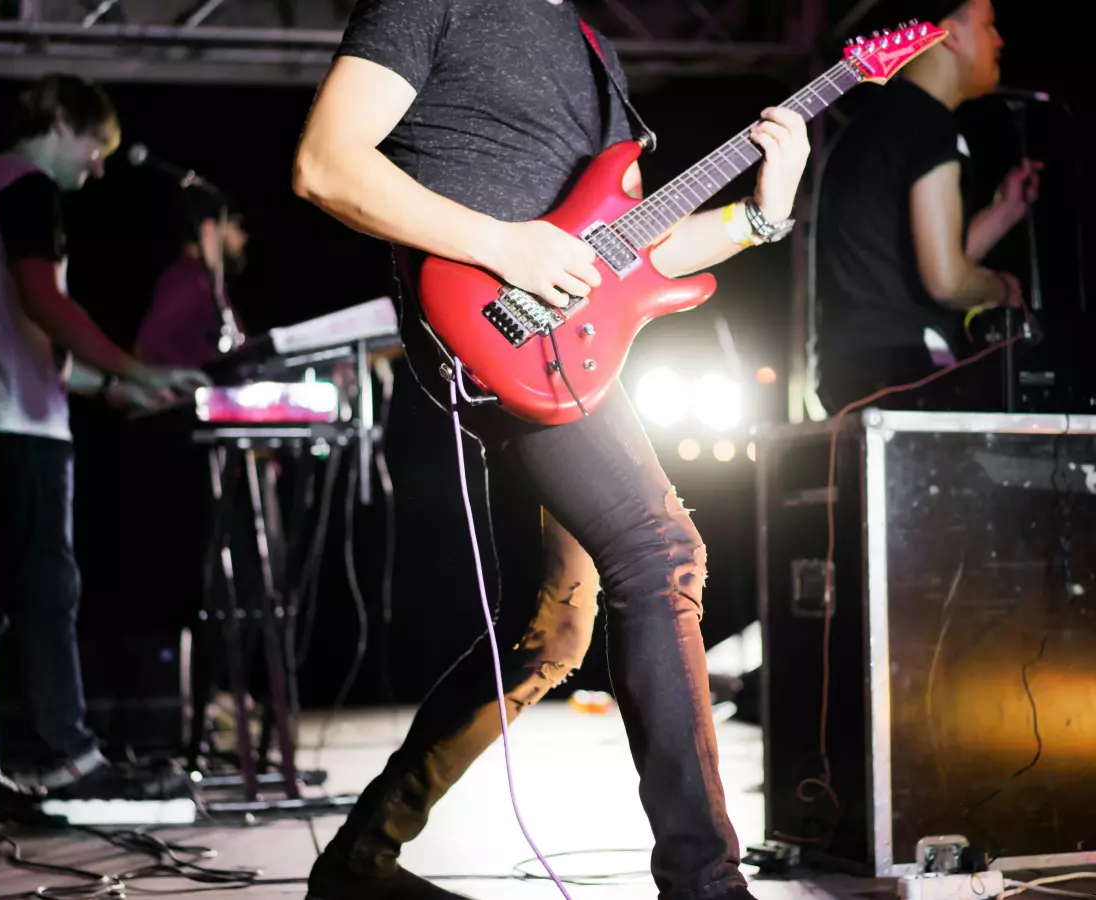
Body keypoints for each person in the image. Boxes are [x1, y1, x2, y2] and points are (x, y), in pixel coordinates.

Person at [291, 1, 811, 898]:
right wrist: (503, 245)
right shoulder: (432, 4)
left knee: (551, 633)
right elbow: (325, 163)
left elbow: (632, 250)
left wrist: (762, 217)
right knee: (660, 552)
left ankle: (358, 861)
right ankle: (705, 885)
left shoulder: (589, 46)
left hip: (570, 349)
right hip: (492, 325)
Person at [0, 73, 208, 818]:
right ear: (59, 121)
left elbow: (16, 336)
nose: (100, 166)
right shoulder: (25, 186)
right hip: (16, 433)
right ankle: (69, 758)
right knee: (49, 592)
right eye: (95, 145)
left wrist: (118, 389)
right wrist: (135, 366)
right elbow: (43, 301)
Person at [811, 0, 1042, 414]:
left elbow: (918, 262)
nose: (999, 39)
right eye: (988, 25)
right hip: (908, 365)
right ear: (951, 35)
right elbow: (946, 281)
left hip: (849, 367)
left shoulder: (868, 126)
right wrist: (1002, 288)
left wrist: (1003, 210)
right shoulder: (930, 125)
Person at [135, 191, 249, 367]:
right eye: (236, 225)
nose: (244, 237)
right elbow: (147, 346)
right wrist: (191, 386)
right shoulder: (189, 283)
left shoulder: (209, 286)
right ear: (209, 230)